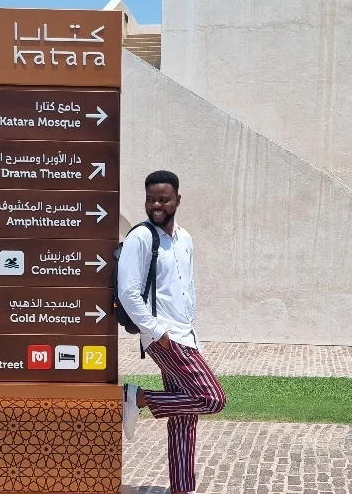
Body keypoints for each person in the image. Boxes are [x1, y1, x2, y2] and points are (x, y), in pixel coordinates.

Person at [118, 170, 226, 494]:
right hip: (163, 336)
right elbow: (127, 291)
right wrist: (155, 331)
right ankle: (136, 397)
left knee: (184, 420)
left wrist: (192, 331)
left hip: (185, 335)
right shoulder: (141, 237)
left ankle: (183, 489)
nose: (156, 206)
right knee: (212, 398)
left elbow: (186, 288)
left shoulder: (186, 238)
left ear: (178, 199)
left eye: (163, 199)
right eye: (151, 199)